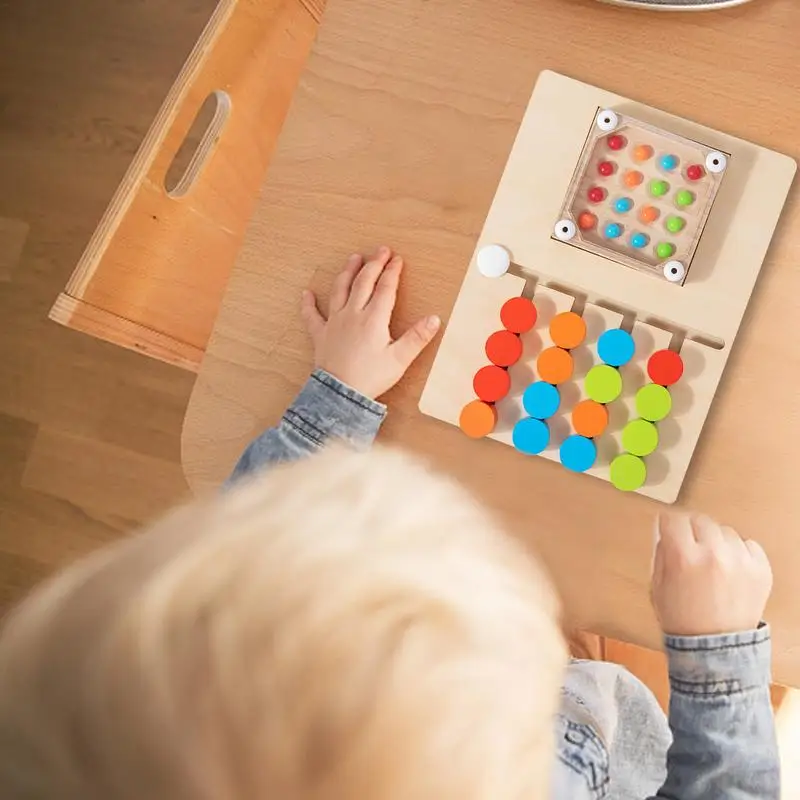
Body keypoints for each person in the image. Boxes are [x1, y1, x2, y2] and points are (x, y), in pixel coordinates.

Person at [0, 247, 778, 799]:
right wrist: (718, 660)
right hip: (618, 731)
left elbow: (255, 543)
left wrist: (335, 395)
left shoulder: (196, 664)